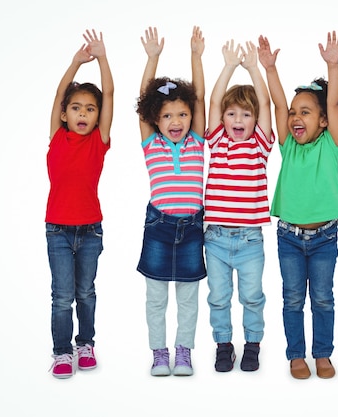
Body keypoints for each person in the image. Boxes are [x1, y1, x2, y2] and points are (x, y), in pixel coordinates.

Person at [258, 32, 338, 379]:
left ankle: (323, 354)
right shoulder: (288, 147)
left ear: (324, 121)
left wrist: (333, 65)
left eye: (307, 112)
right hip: (289, 238)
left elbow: (333, 102)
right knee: (292, 299)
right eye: (295, 113)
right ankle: (296, 355)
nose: (296, 117)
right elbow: (279, 106)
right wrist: (270, 69)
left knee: (323, 299)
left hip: (325, 238)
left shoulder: (331, 145)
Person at [135, 26, 206, 377]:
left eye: (181, 114)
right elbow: (141, 101)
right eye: (166, 116)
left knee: (188, 298)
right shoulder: (153, 145)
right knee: (156, 297)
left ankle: (184, 351)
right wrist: (152, 58)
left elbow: (201, 98)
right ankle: (159, 352)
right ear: (154, 120)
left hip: (192, 227)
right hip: (159, 227)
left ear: (191, 116)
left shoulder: (196, 142)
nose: (175, 121)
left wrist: (196, 57)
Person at [46, 29, 114, 379]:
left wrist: (102, 58)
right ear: (64, 115)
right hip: (57, 230)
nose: (83, 113)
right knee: (62, 296)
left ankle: (85, 343)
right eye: (76, 108)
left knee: (85, 292)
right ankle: (61, 352)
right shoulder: (57, 137)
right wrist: (76, 62)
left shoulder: (99, 142)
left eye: (90, 108)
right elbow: (60, 92)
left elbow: (111, 93)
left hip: (90, 230)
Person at [204, 39, 273, 372]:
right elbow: (215, 100)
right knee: (218, 297)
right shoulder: (217, 143)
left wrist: (253, 68)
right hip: (215, 239)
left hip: (249, 240)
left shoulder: (260, 144)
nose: (237, 118)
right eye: (232, 113)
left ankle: (253, 345)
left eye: (246, 114)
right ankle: (223, 344)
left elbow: (266, 103)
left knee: (251, 296)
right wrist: (229, 66)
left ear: (255, 120)